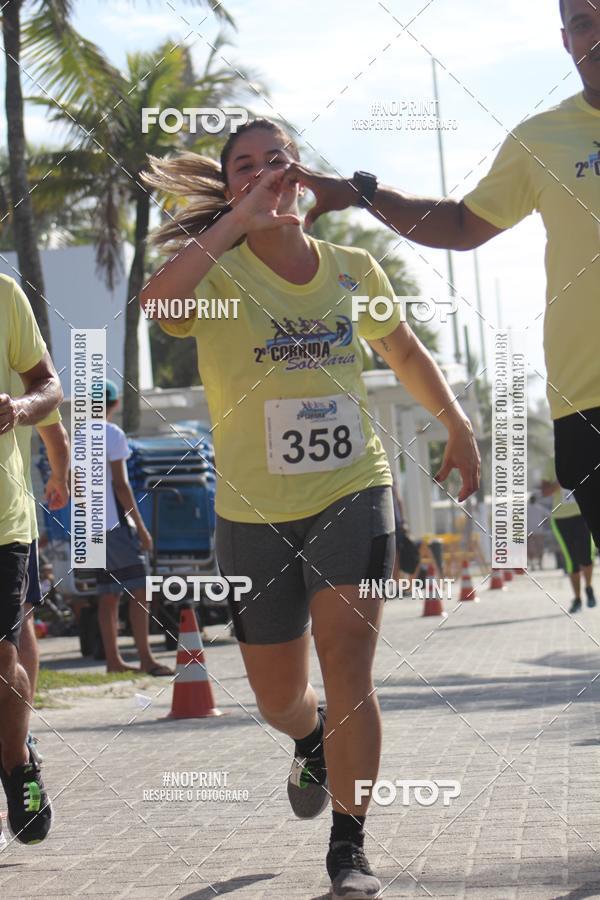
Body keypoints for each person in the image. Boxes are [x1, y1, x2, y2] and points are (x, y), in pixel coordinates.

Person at [140, 118, 480, 898]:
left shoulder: (353, 267)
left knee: (350, 667)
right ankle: (310, 739)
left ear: (301, 176)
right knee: (277, 697)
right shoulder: (217, 278)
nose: (263, 177)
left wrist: (456, 424)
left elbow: (402, 352)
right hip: (252, 512)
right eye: (243, 169)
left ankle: (349, 843)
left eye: (276, 162)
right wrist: (235, 224)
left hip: (351, 492)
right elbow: (159, 306)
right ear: (230, 188)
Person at [286, 0, 600, 555]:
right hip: (586, 400)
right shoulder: (541, 140)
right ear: (566, 39)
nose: (594, 35)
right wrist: (363, 194)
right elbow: (459, 224)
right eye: (582, 23)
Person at [0, 273, 62, 845]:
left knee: (5, 656)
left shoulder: (5, 295)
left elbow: (49, 388)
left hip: (4, 520)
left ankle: (16, 760)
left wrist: (18, 408)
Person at [9, 368, 70, 760]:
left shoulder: (28, 381)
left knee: (21, 620)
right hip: (16, 519)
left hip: (12, 521)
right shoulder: (23, 375)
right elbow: (56, 437)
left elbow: (55, 431)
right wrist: (59, 479)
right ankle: (21, 731)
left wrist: (60, 478)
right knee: (21, 618)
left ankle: (21, 730)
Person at [96, 380, 173, 676]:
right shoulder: (112, 434)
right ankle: (145, 658)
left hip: (88, 525)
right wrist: (141, 528)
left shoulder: (77, 436)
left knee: (107, 594)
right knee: (141, 588)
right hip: (113, 523)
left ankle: (114, 660)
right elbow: (121, 484)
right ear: (114, 405)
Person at [541, 458, 596, 613]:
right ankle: (577, 599)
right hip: (561, 519)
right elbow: (544, 491)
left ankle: (589, 588)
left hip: (583, 514)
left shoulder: (583, 458)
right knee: (571, 560)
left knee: (586, 557)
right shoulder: (551, 462)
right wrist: (561, 481)